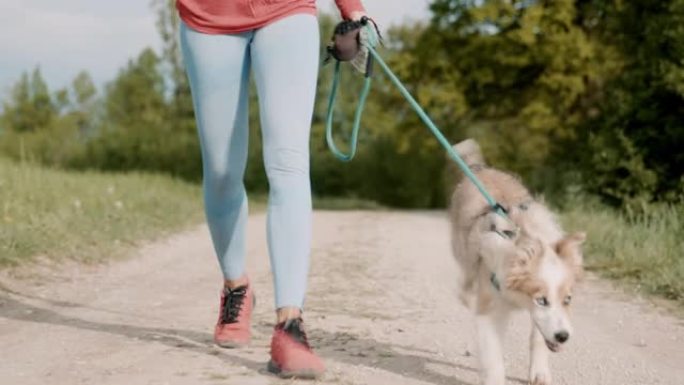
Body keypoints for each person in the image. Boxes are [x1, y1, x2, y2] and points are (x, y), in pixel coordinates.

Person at [176, 0, 367, 379]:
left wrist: (353, 11)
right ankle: (236, 288)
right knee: (221, 169)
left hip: (286, 11)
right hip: (208, 16)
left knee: (289, 163)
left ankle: (289, 325)